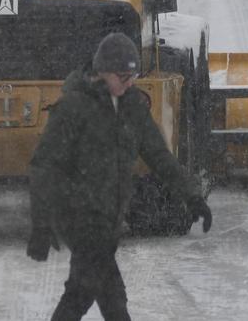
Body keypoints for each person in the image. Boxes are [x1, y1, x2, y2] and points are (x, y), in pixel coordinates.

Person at [27, 32, 212, 321]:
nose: (129, 83)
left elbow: (159, 156)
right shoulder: (74, 108)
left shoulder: (132, 107)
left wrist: (192, 196)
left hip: (109, 216)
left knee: (85, 291)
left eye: (132, 76)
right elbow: (44, 167)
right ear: (102, 73)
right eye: (122, 77)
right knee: (105, 296)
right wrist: (41, 224)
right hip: (78, 215)